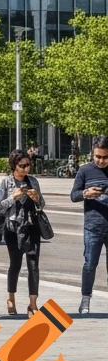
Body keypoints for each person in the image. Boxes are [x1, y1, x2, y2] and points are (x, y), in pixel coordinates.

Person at [0, 149, 46, 317]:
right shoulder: (6, 182)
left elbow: (42, 204)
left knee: (33, 265)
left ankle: (33, 304)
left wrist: (36, 198)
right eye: (22, 165)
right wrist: (14, 197)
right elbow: (0, 207)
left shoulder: (33, 181)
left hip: (32, 227)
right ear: (14, 166)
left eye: (28, 165)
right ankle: (11, 297)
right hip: (12, 228)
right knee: (16, 264)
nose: (26, 169)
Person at [70, 133, 108, 314]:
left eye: (105, 157)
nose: (101, 160)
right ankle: (85, 299)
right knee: (89, 264)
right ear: (92, 154)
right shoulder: (85, 170)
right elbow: (73, 195)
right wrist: (86, 193)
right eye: (98, 156)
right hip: (93, 226)